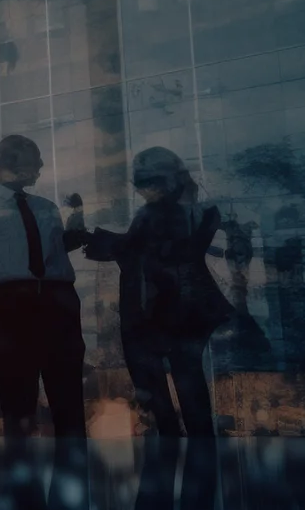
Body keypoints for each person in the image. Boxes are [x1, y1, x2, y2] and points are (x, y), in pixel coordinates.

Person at [82, 147, 229, 437]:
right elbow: (142, 249)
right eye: (141, 184)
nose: (142, 190)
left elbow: (149, 251)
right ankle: (188, 442)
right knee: (179, 383)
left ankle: (186, 442)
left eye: (147, 183)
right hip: (169, 310)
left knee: (177, 384)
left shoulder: (171, 213)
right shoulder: (187, 211)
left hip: (168, 310)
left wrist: (101, 242)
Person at [0, 134, 86, 437]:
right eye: (34, 159)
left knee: (67, 392)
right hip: (13, 304)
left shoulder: (46, 207)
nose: (40, 166)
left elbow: (53, 251)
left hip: (57, 301)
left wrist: (75, 232)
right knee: (17, 393)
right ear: (12, 163)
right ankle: (22, 470)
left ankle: (73, 461)